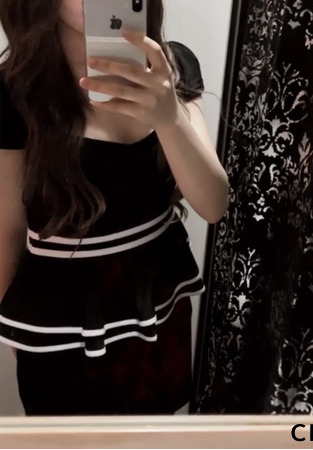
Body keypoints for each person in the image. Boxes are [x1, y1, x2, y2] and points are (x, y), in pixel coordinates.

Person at [0, 0, 229, 416]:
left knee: (156, 435)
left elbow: (213, 204)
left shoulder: (173, 67)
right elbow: (8, 231)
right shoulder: (15, 92)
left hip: (157, 313)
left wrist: (170, 117)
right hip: (60, 324)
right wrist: (15, 324)